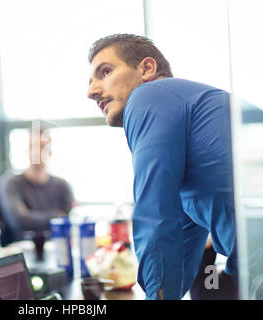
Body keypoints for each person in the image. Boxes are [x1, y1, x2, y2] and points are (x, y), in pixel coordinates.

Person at [86, 34, 238, 300]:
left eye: (106, 72)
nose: (91, 91)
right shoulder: (189, 124)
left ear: (147, 69)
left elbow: (155, 211)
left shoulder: (148, 96)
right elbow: (180, 246)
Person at [0, 124, 74, 253]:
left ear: (50, 152)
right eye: (33, 147)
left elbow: (69, 223)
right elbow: (19, 220)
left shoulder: (62, 186)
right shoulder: (11, 183)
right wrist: (56, 215)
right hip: (22, 255)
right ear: (27, 150)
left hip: (58, 252)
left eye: (42, 147)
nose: (37, 152)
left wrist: (32, 216)